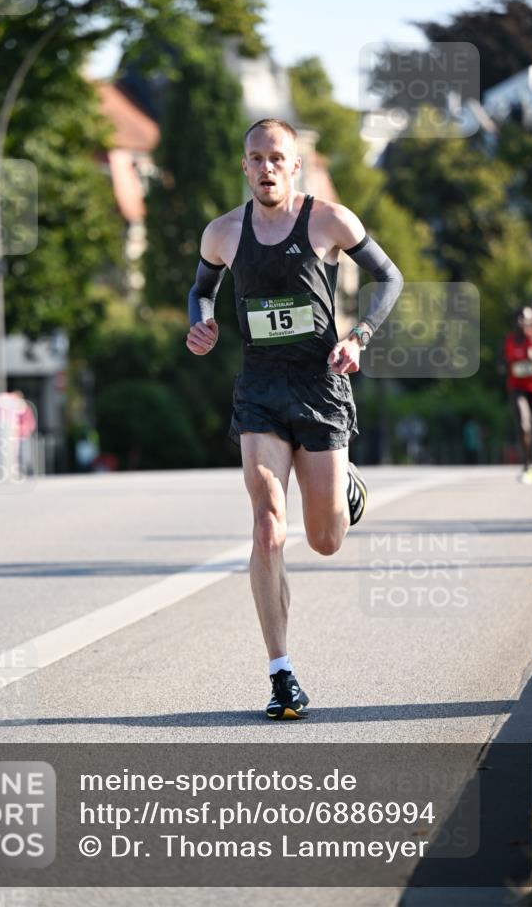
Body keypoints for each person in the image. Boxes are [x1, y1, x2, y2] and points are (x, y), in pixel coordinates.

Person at [186, 118, 403, 719]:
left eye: (277, 158)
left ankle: (345, 482)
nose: (266, 168)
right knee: (266, 525)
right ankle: (281, 673)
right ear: (244, 166)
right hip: (259, 391)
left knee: (325, 540)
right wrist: (202, 323)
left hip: (321, 386)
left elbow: (389, 276)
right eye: (256, 158)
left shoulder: (330, 220)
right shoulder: (223, 233)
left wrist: (359, 336)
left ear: (295, 165)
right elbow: (201, 290)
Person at [503, 305, 532, 483]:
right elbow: (500, 363)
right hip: (517, 388)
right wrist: (507, 365)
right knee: (523, 424)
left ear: (531, 322)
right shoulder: (508, 341)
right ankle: (528, 464)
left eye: (525, 319)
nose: (521, 322)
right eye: (519, 318)